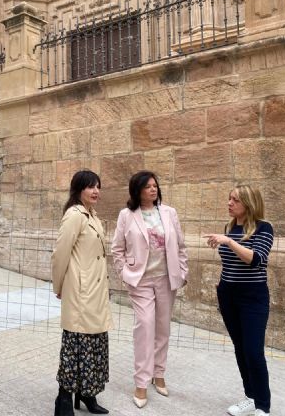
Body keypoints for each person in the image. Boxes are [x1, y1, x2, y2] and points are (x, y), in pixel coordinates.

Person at [111, 171, 188, 408]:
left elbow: (181, 245)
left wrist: (182, 271)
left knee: (163, 328)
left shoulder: (169, 212)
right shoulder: (127, 215)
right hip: (141, 280)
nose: (153, 190)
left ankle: (159, 373)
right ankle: (141, 383)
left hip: (166, 278)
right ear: (137, 190)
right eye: (147, 187)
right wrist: (125, 273)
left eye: (155, 186)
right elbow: (117, 249)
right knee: (145, 327)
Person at [203, 184, 274, 416]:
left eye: (235, 200)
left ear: (249, 204)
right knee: (240, 348)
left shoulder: (264, 228)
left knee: (253, 351)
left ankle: (263, 405)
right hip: (228, 295)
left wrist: (229, 242)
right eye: (229, 199)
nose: (229, 203)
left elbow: (255, 260)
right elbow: (229, 262)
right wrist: (222, 283)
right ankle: (251, 397)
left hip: (253, 297)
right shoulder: (230, 227)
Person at [52, 170, 112, 416]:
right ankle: (64, 400)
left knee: (95, 343)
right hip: (81, 292)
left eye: (98, 186)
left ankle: (87, 394)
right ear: (78, 190)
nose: (95, 191)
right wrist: (59, 287)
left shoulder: (93, 216)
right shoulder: (74, 215)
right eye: (90, 186)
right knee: (76, 346)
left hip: (95, 292)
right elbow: (60, 254)